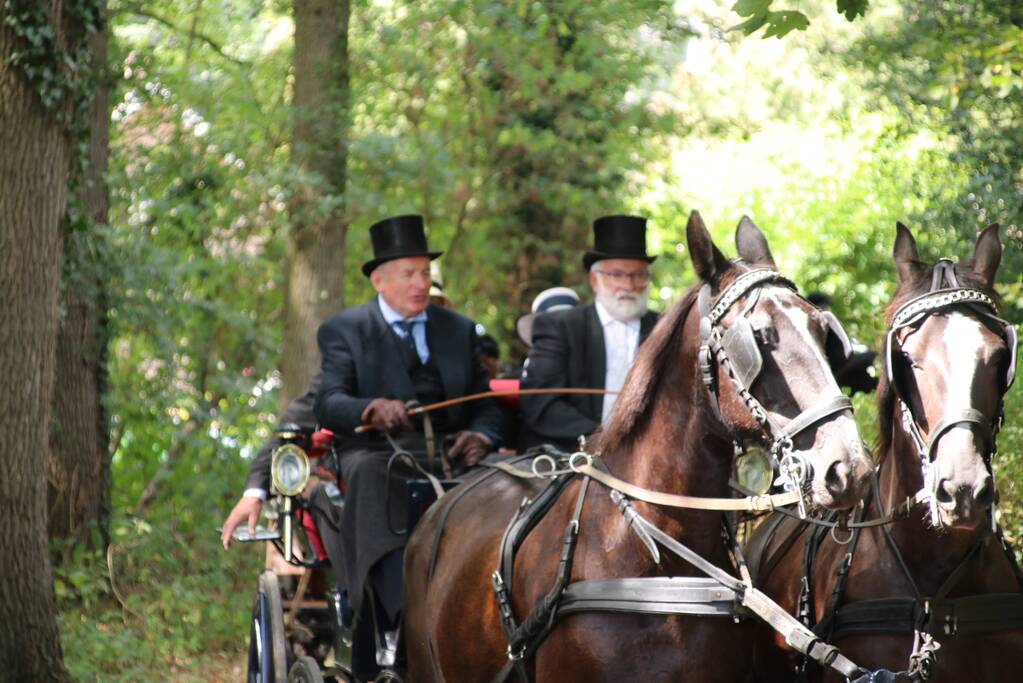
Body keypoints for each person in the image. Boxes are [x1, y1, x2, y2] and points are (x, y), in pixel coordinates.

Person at [314, 214, 503, 680]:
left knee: (510, 482)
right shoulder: (345, 330)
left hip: (454, 456)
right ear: (379, 280)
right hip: (378, 455)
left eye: (425, 273)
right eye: (409, 274)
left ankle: (499, 608)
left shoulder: (458, 329)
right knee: (372, 479)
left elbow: (490, 406)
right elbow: (328, 402)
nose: (421, 283)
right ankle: (395, 622)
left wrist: (482, 435)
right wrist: (369, 408)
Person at [520, 215, 659, 452]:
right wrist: (604, 439)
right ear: (595, 280)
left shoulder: (662, 328)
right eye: (616, 275)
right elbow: (540, 403)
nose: (628, 285)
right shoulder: (560, 327)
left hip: (649, 457)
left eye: (638, 275)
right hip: (571, 456)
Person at [806, 291, 879, 395]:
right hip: (837, 369)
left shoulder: (812, 323)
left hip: (838, 369)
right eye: (824, 306)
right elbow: (847, 348)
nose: (825, 308)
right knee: (874, 357)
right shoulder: (822, 318)